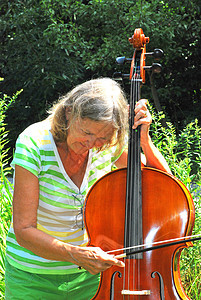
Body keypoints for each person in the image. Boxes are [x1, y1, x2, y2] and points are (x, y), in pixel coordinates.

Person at [5, 78, 171, 299]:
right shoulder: (33, 143)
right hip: (32, 277)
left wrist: (144, 141)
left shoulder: (108, 145)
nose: (92, 143)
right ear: (68, 114)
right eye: (87, 133)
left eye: (102, 137)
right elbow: (24, 230)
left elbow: (163, 186)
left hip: (90, 276)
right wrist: (76, 254)